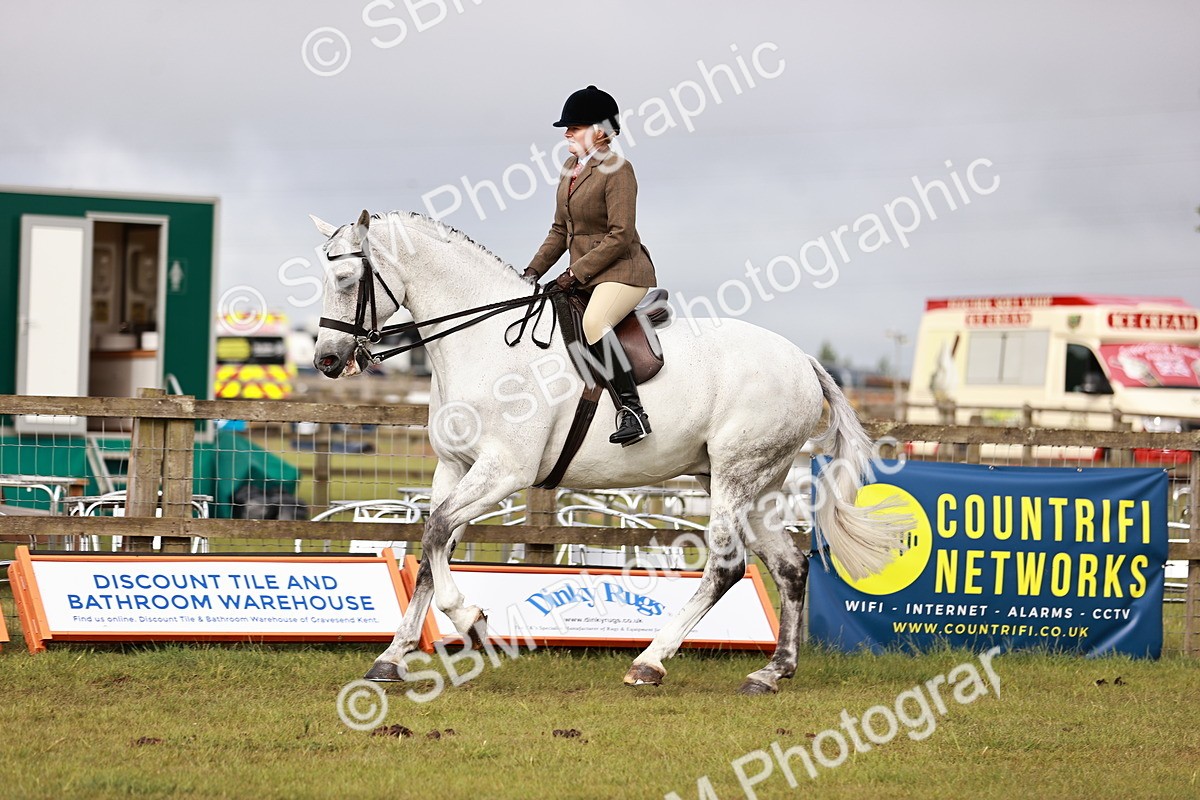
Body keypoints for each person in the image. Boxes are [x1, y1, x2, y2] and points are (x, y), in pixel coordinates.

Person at [523, 85, 657, 446]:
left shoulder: (618, 170)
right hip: (586, 275)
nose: (567, 132)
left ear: (600, 130)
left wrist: (573, 273)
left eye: (576, 127)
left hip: (622, 272)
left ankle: (633, 411)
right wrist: (531, 272)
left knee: (594, 321)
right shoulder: (571, 168)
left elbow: (620, 234)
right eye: (568, 127)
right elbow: (559, 230)